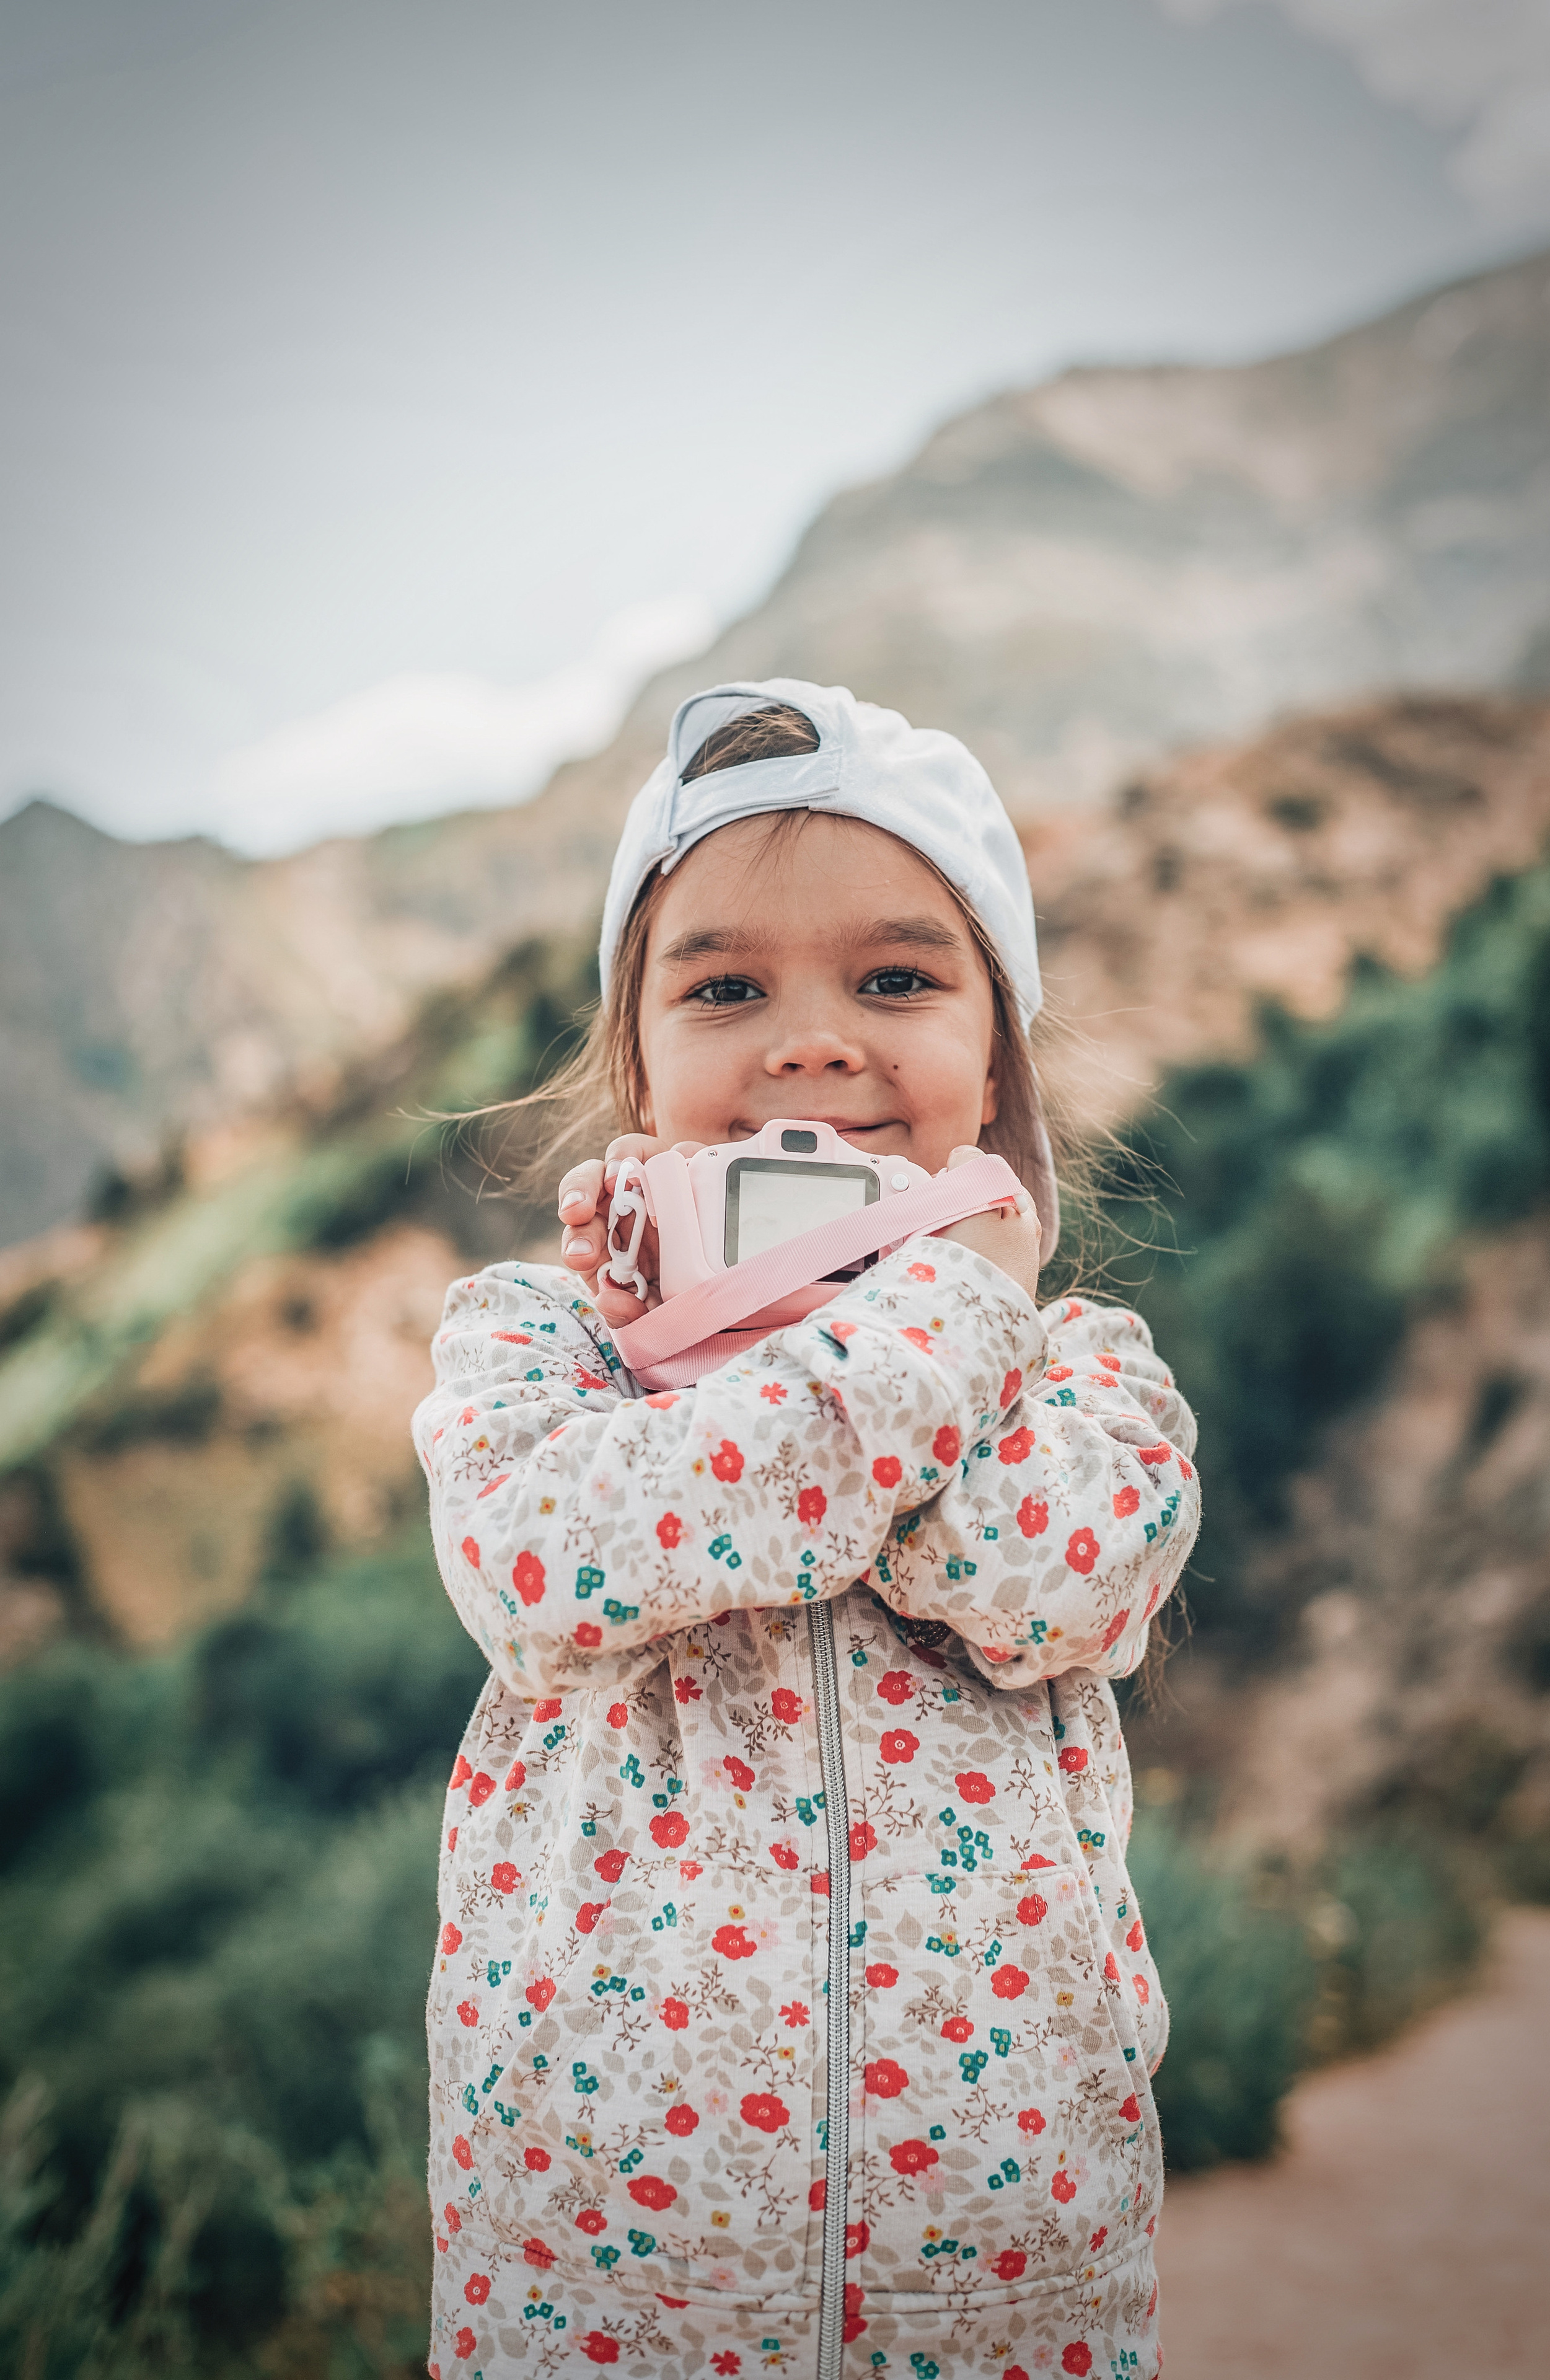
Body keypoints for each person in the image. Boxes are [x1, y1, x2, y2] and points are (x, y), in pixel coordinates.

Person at [413, 679, 1200, 2379]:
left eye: (900, 979)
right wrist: (874, 1331)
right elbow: (543, 1565)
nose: (814, 1039)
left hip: (1002, 2289)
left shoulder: (1083, 1377)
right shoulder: (538, 1353)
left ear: (994, 1066)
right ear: (640, 1060)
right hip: (606, 2288)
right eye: (726, 988)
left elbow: (1037, 1582)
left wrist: (897, 1327)